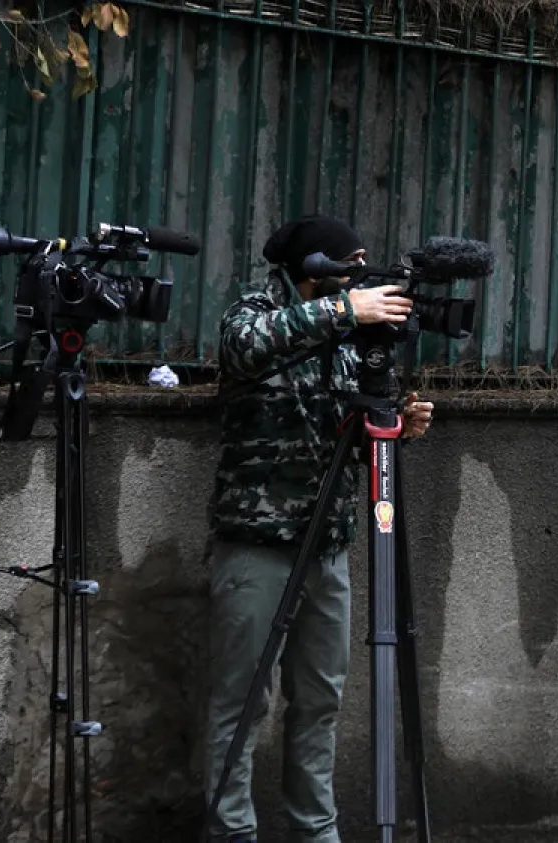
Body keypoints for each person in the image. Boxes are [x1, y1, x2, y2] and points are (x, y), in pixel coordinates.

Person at [202, 215, 435, 843]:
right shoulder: (255, 313)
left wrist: (394, 429)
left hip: (328, 546)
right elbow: (244, 349)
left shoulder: (351, 340)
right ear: (314, 265)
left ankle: (316, 832)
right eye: (348, 262)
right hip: (257, 543)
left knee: (320, 700)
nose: (360, 274)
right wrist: (344, 311)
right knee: (240, 701)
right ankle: (231, 832)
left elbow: (345, 441)